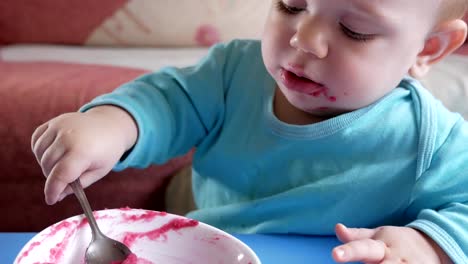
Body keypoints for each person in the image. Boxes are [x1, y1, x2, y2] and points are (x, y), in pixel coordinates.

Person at [31, 0, 468, 263]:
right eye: (291, 5)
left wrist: (428, 243)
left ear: (427, 48)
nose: (305, 39)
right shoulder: (234, 72)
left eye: (356, 30)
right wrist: (109, 126)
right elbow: (169, 100)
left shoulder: (432, 141)